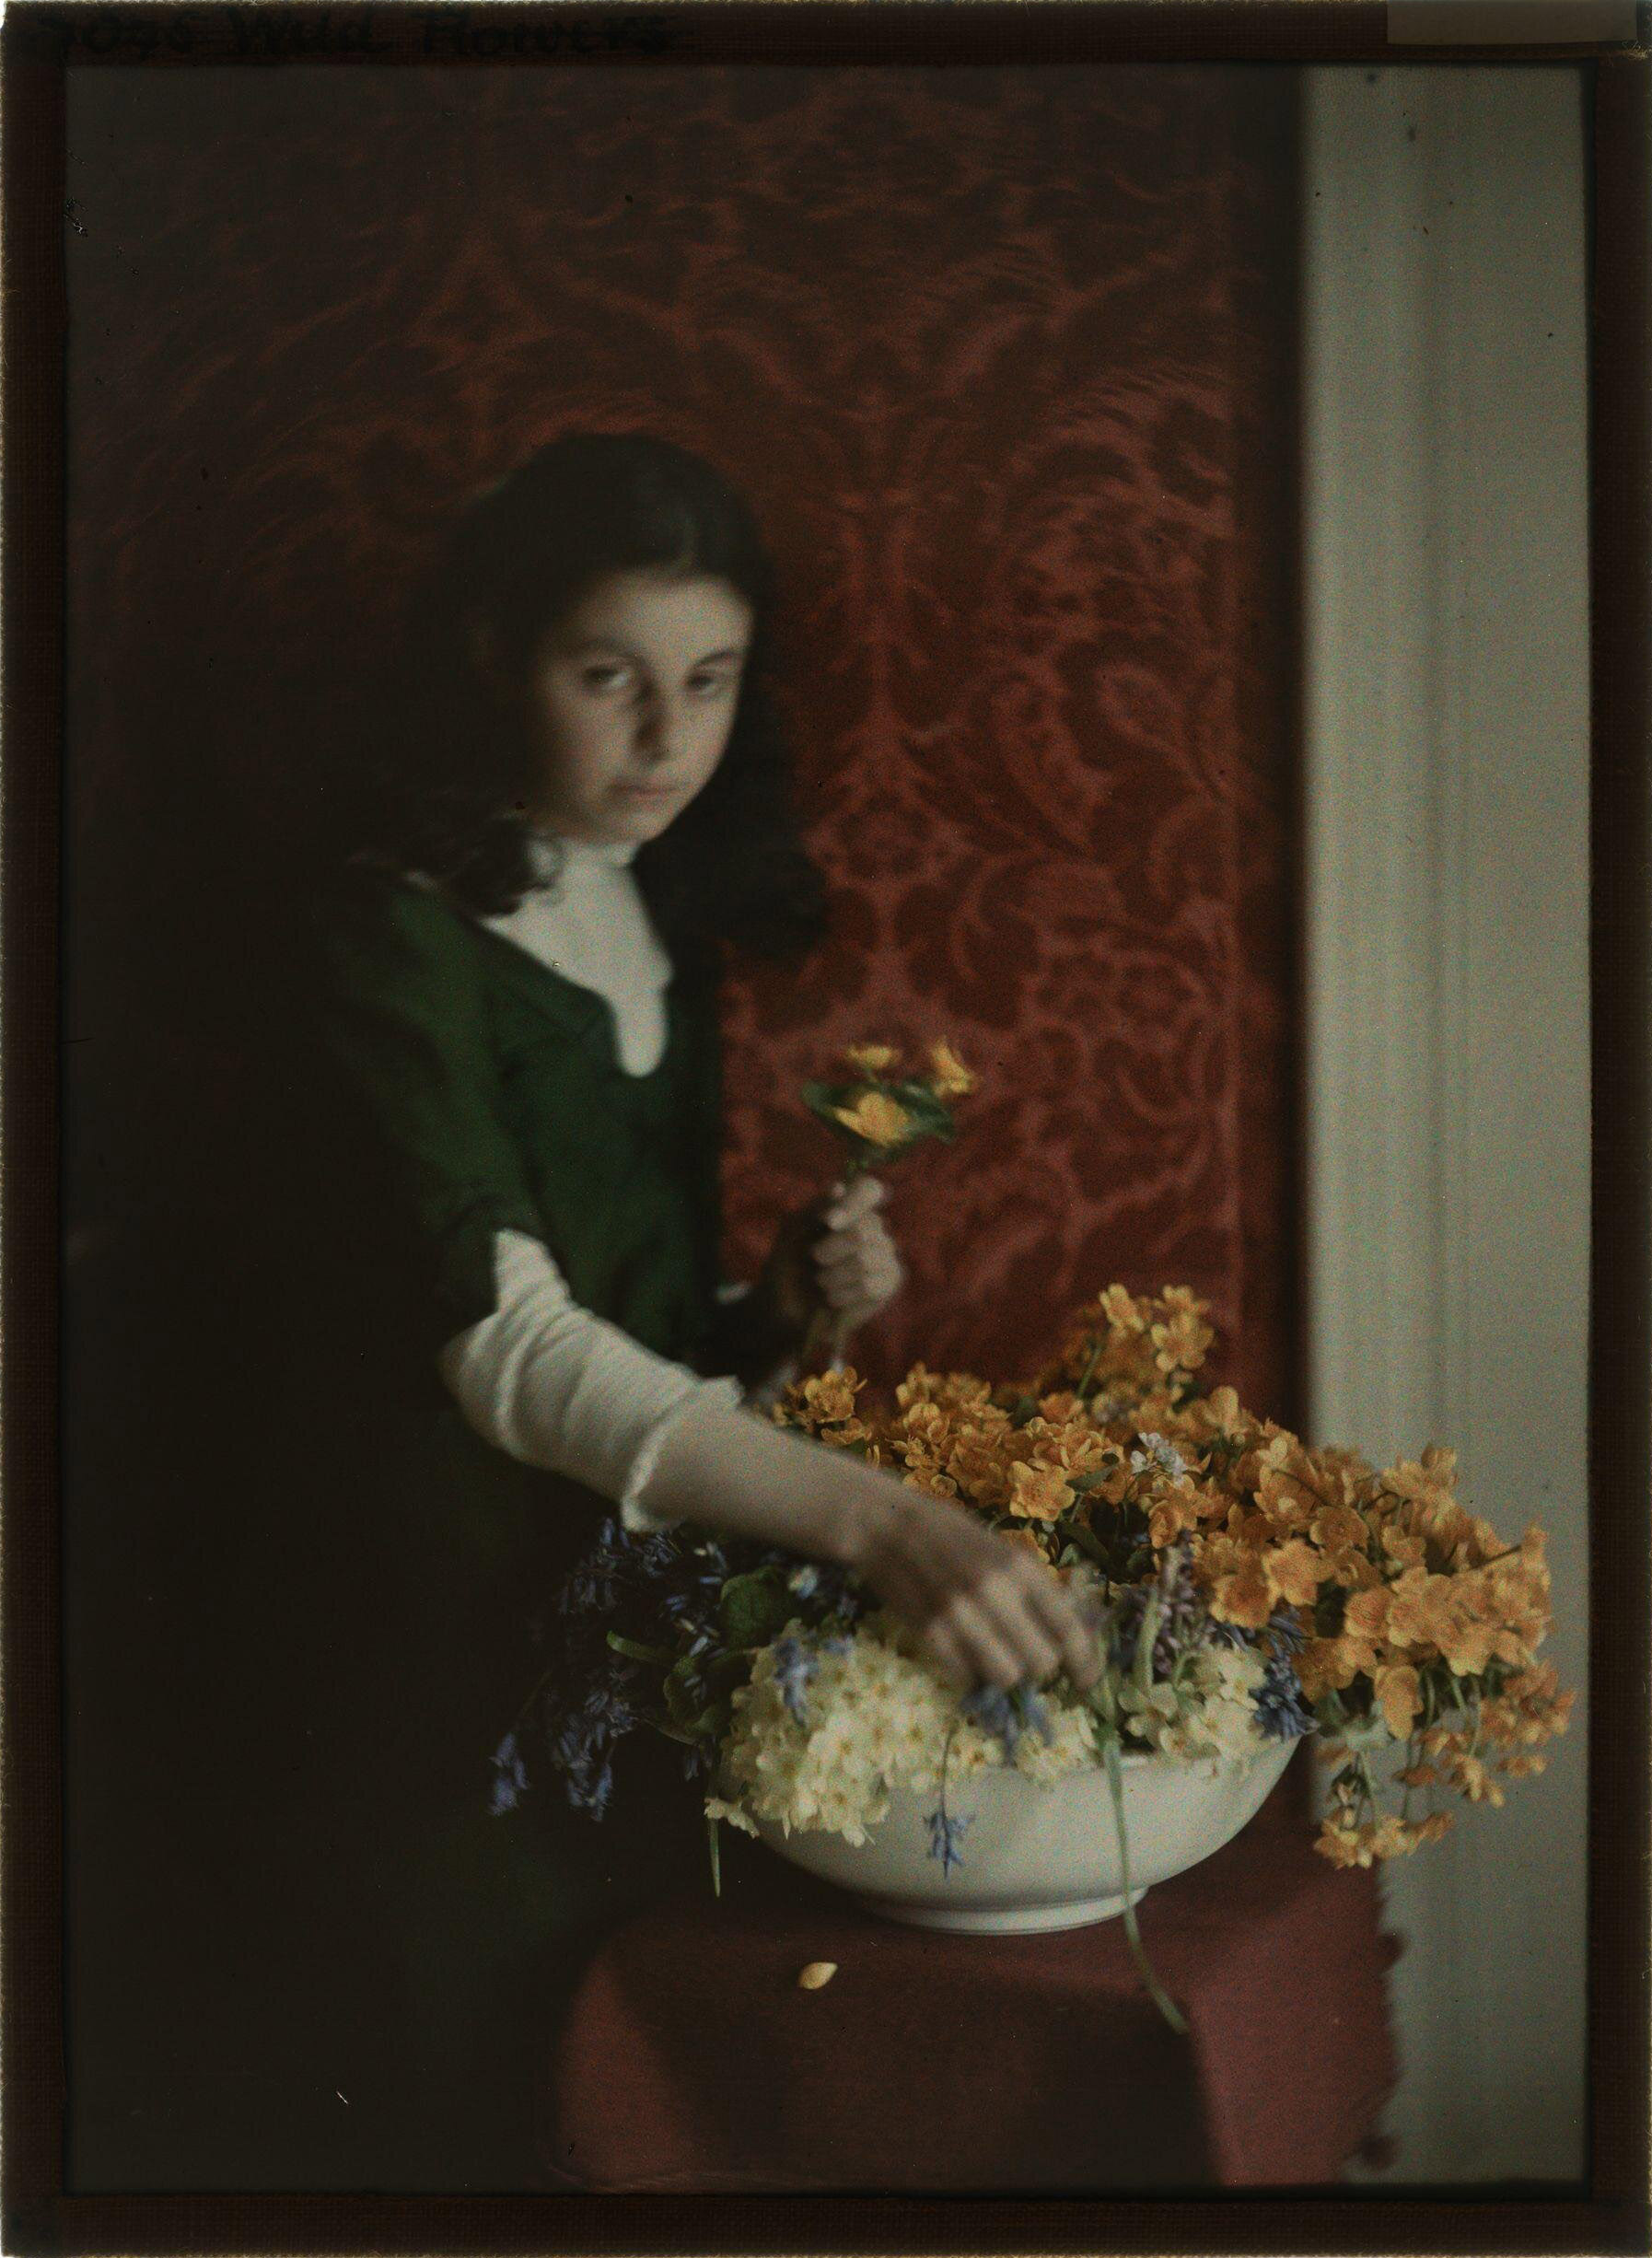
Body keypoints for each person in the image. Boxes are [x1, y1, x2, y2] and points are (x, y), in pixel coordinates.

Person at [310, 432, 1099, 2188]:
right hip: (429, 1638)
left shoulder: (648, 909)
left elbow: (641, 1329)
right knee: (460, 2108)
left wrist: (783, 1319)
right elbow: (509, 1350)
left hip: (610, 1617)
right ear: (494, 661)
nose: (666, 739)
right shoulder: (398, 939)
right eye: (608, 678)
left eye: (708, 681)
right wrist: (890, 1522)